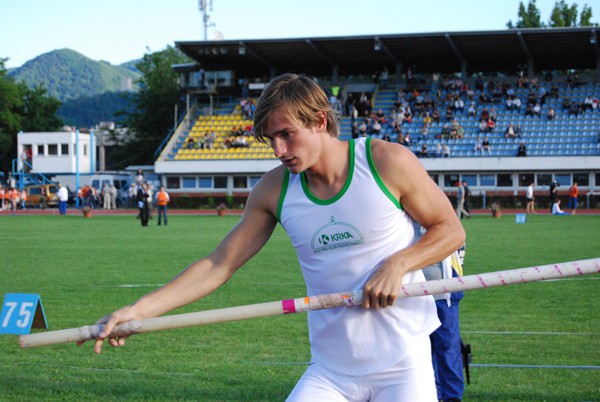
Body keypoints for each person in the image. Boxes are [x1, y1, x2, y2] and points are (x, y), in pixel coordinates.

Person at [85, 73, 465, 401]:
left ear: (319, 120)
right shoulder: (274, 191)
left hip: (403, 362)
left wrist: (398, 264)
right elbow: (219, 264)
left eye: (287, 134)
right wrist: (137, 311)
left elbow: (449, 229)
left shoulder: (386, 161)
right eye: (271, 139)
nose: (279, 150)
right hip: (331, 369)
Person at [417, 223, 466, 402]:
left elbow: (459, 248)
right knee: (419, 349)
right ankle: (430, 394)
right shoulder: (404, 218)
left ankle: (451, 397)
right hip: (414, 296)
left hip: (444, 293)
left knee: (447, 347)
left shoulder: (445, 220)